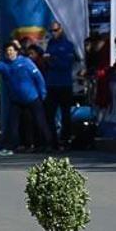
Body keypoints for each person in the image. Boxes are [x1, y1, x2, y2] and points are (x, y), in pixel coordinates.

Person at [0, 42, 50, 156]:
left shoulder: (26, 62)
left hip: (32, 98)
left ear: (16, 51)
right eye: (7, 51)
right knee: (13, 124)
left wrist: (43, 93)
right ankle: (13, 146)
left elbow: (38, 77)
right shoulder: (4, 65)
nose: (9, 53)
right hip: (17, 100)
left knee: (40, 122)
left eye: (11, 50)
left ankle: (47, 144)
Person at [43, 21, 78, 149]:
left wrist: (52, 61)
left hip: (64, 84)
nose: (54, 33)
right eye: (52, 31)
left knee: (65, 114)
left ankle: (65, 139)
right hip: (52, 84)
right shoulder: (50, 44)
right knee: (49, 114)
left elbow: (66, 64)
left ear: (61, 29)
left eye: (56, 30)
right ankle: (52, 140)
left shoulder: (68, 45)